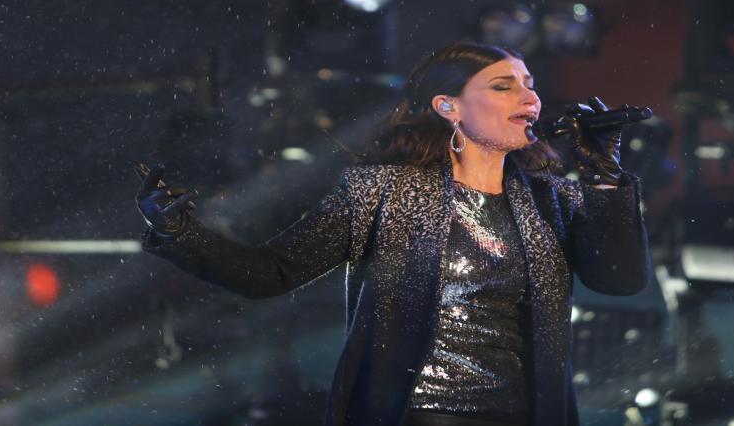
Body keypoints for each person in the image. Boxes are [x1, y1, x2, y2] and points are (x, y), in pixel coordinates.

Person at [134, 42, 652, 426]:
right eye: (504, 85)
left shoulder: (551, 196)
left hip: (531, 412)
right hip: (420, 411)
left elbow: (620, 281)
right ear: (448, 106)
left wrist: (605, 177)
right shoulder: (381, 191)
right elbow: (270, 274)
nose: (529, 96)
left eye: (529, 82)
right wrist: (179, 231)